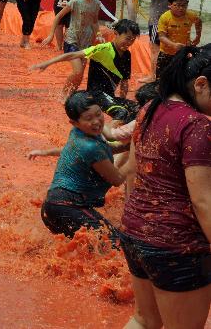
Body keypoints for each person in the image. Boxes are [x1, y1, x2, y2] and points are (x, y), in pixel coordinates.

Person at [119, 45, 211, 329]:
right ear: (201, 84)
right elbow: (202, 201)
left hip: (134, 232)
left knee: (144, 320)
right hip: (177, 246)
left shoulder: (150, 108)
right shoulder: (197, 126)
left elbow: (133, 172)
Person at [27, 92, 127, 241]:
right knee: (117, 245)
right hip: (67, 207)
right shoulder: (90, 147)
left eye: (99, 114)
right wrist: (135, 159)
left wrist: (129, 146)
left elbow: (102, 150)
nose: (97, 122)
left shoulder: (78, 133)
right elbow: (117, 179)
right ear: (74, 122)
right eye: (88, 118)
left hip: (52, 206)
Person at [32, 19, 140, 124]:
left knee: (138, 109)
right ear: (116, 34)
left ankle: (123, 138)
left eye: (133, 40)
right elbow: (73, 55)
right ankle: (108, 138)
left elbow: (124, 82)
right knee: (121, 112)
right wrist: (47, 63)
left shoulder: (127, 55)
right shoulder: (103, 49)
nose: (129, 43)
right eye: (127, 38)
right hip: (96, 94)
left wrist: (122, 101)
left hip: (109, 96)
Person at [42, 0, 102, 98]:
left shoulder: (96, 3)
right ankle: (64, 94)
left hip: (87, 41)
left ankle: (72, 96)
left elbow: (95, 22)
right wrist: (51, 34)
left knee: (80, 73)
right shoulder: (75, 1)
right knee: (78, 70)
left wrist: (99, 34)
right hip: (72, 39)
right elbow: (58, 16)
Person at [156, 0, 202, 78]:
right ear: (169, 5)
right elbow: (161, 37)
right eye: (177, 5)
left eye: (184, 5)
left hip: (183, 52)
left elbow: (198, 22)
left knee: (181, 77)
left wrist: (198, 36)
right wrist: (173, 45)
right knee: (161, 77)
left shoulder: (190, 15)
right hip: (166, 53)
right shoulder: (165, 17)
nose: (181, 8)